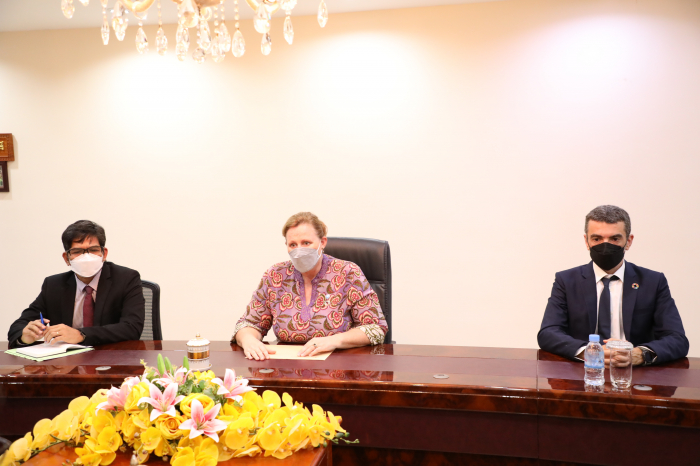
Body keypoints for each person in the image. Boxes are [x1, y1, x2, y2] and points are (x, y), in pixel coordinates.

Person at [538, 205, 689, 366]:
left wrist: (639, 354)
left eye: (615, 239)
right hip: (584, 371)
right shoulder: (567, 280)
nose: (605, 246)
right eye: (597, 239)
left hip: (634, 372)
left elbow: (677, 339)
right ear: (587, 241)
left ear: (628, 241)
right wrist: (587, 352)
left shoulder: (653, 281)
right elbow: (548, 333)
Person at [232, 212, 388, 360]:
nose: (299, 250)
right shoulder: (275, 275)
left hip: (337, 366)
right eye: (293, 245)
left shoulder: (348, 273)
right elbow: (248, 324)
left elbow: (375, 328)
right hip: (287, 367)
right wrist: (248, 340)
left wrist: (334, 341)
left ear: (322, 242)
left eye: (306, 243)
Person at [8, 220, 145, 348]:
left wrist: (81, 334)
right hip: (67, 360)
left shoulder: (126, 279)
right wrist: (25, 336)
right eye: (77, 252)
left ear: (104, 254)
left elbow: (132, 328)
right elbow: (17, 327)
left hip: (111, 356)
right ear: (66, 258)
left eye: (93, 250)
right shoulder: (54, 285)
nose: (86, 257)